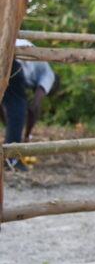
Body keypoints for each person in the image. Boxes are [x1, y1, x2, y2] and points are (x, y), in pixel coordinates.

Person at [2, 39, 58, 171]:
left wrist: (10, 126)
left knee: (15, 111)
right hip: (11, 57)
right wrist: (26, 136)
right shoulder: (49, 75)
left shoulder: (36, 70)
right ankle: (12, 160)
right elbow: (33, 109)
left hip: (6, 49)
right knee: (19, 109)